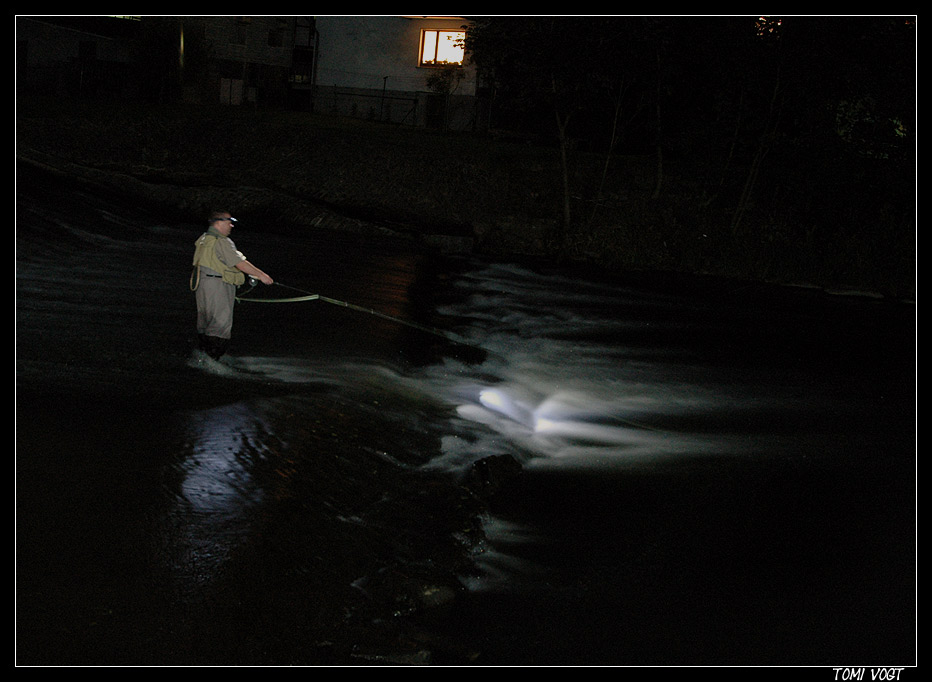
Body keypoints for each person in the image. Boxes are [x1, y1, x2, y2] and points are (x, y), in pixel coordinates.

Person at [190, 211, 273, 360]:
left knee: (205, 321)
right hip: (218, 285)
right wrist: (262, 275)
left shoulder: (204, 238)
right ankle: (212, 361)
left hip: (203, 284)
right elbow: (239, 263)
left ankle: (202, 356)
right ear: (219, 222)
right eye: (229, 221)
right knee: (220, 324)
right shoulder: (222, 241)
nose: (232, 225)